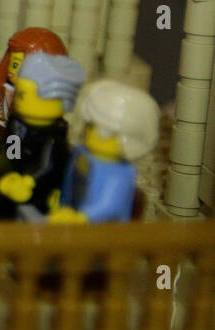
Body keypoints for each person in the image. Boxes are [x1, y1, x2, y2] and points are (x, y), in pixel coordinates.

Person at [0, 52, 84, 220]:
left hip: (36, 195)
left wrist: (28, 182)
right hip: (12, 181)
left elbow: (47, 167)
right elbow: (12, 149)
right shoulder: (18, 123)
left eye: (23, 94)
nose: (18, 98)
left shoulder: (53, 136)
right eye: (19, 93)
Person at [49, 80, 161, 223]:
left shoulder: (118, 174)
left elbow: (108, 206)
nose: (93, 134)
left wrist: (80, 217)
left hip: (100, 231)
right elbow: (69, 181)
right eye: (91, 126)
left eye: (106, 132)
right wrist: (60, 199)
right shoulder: (81, 153)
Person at [0, 27, 67, 140]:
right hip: (9, 141)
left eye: (19, 65)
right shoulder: (9, 91)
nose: (12, 70)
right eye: (13, 64)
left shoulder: (49, 103)